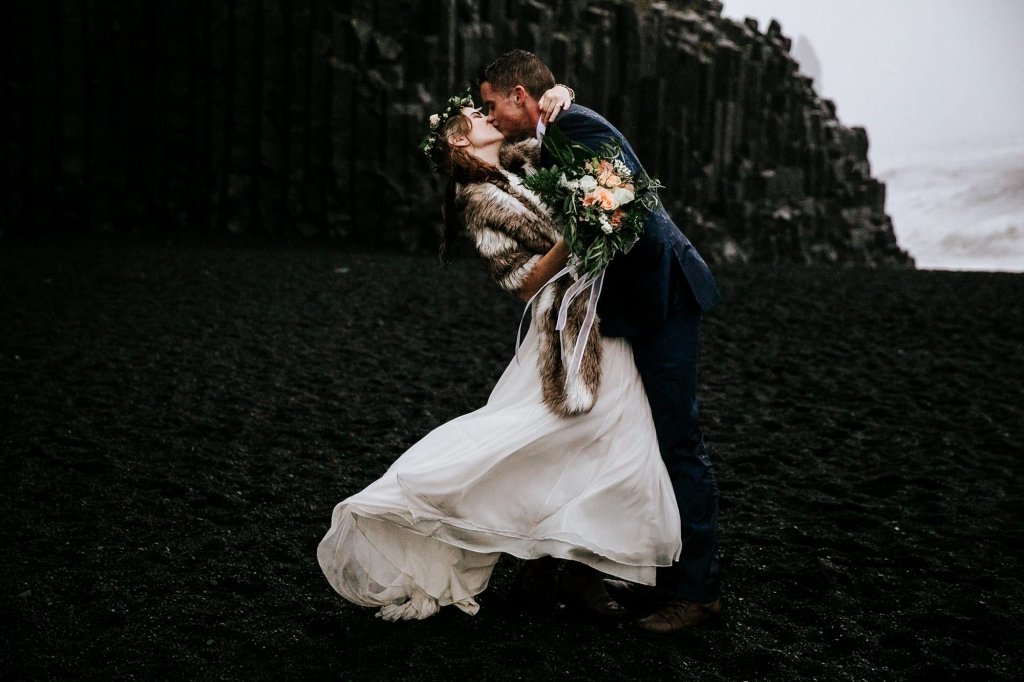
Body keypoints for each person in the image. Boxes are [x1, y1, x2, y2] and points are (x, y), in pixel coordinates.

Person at [316, 87, 682, 622]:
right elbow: (522, 280)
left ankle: (549, 572)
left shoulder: (523, 163)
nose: (487, 116)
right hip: (565, 327)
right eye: (476, 116)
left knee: (612, 438)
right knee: (567, 435)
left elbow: (556, 135)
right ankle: (439, 501)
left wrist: (563, 91)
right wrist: (576, 232)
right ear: (463, 143)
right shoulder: (479, 201)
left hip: (600, 313)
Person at [479, 50, 723, 634]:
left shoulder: (575, 126)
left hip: (662, 300)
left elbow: (619, 204)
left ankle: (699, 593)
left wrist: (578, 232)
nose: (491, 115)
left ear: (519, 95)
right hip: (627, 307)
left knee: (678, 441)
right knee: (627, 435)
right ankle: (611, 567)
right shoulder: (552, 131)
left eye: (493, 104)